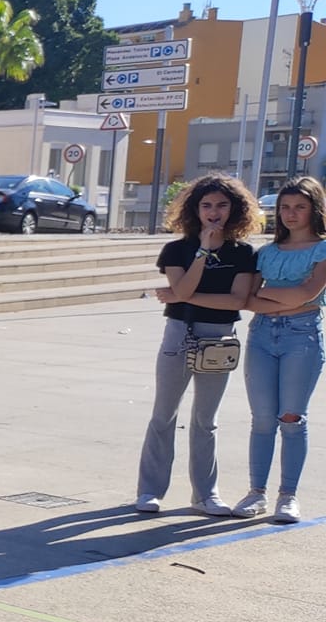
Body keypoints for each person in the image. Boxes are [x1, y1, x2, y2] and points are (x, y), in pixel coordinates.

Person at [136, 174, 262, 516]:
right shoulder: (177, 249)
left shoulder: (244, 253)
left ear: (234, 209)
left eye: (222, 205)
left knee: (207, 419)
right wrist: (204, 251)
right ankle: (149, 490)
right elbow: (184, 290)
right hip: (180, 331)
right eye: (206, 205)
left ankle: (206, 494)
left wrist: (183, 294)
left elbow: (237, 299)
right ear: (195, 209)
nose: (214, 212)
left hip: (219, 336)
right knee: (164, 414)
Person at [234, 177, 326, 523]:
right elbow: (247, 299)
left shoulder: (323, 248)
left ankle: (288, 496)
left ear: (314, 210)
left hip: (301, 339)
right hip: (261, 337)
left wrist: (272, 299)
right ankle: (256, 492)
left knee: (291, 417)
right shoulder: (267, 253)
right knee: (261, 419)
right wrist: (288, 299)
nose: (291, 214)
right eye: (285, 207)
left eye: (299, 207)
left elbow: (308, 293)